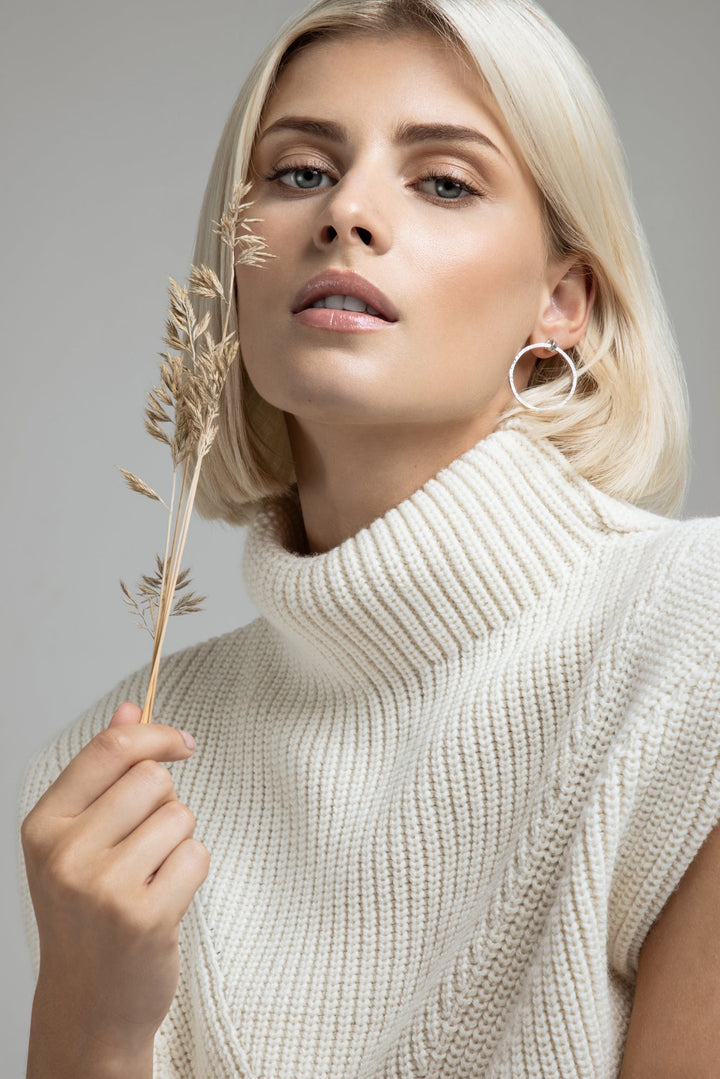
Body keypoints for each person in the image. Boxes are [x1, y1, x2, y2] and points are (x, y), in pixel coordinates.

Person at [17, 0, 720, 1075]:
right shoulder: (108, 784)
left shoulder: (696, 649)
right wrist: (91, 1013)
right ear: (235, 266)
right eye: (299, 172)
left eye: (444, 181)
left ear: (561, 300)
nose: (347, 212)